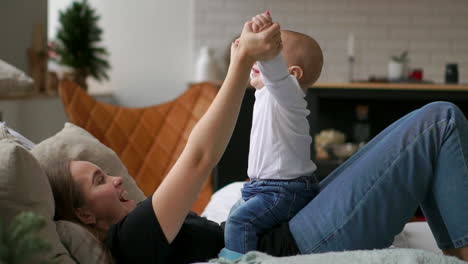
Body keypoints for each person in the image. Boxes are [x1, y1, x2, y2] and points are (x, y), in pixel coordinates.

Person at [43, 14, 468, 264]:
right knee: (439, 121)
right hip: (297, 244)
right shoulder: (132, 237)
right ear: (85, 217)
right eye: (99, 180)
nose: (116, 179)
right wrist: (241, 59)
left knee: (428, 126)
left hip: (291, 225)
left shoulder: (138, 227)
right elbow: (199, 157)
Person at [219, 11, 324, 260]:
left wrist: (266, 49)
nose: (261, 54)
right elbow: (249, 66)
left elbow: (276, 75)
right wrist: (242, 49)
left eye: (274, 51)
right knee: (231, 218)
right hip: (263, 187)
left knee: (239, 222)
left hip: (284, 190)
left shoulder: (288, 96)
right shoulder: (267, 94)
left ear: (294, 75)